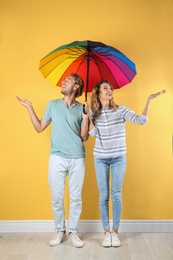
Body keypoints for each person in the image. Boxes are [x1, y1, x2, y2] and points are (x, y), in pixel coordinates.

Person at [88, 79, 166, 247]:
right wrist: (87, 115)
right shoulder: (93, 113)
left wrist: (149, 100)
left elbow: (141, 120)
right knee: (103, 196)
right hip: (100, 158)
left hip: (118, 158)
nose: (110, 91)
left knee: (116, 195)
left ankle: (115, 232)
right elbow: (92, 133)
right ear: (98, 93)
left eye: (110, 88)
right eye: (105, 88)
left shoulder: (120, 110)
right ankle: (106, 232)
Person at [16, 73, 89, 248]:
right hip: (57, 157)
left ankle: (73, 232)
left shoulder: (82, 109)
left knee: (75, 197)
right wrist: (29, 107)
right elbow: (40, 127)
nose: (63, 82)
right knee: (57, 197)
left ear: (76, 86)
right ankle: (59, 231)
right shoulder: (53, 105)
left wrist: (86, 117)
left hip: (77, 158)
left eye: (68, 81)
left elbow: (84, 137)